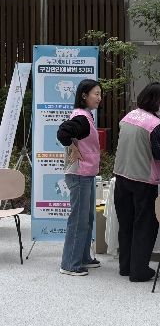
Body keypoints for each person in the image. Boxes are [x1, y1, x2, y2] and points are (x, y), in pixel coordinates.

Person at [113, 82, 160, 282]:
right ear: (156, 101)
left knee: (126, 224)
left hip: (121, 176)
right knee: (144, 226)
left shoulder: (128, 117)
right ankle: (139, 271)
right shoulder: (155, 125)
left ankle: (125, 266)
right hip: (143, 180)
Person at [57, 79, 103, 276]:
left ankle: (83, 257)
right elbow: (63, 133)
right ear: (84, 95)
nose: (99, 98)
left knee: (87, 218)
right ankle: (69, 263)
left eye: (100, 94)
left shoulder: (86, 115)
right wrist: (72, 147)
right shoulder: (81, 117)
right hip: (79, 174)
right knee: (78, 219)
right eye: (96, 94)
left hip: (87, 173)